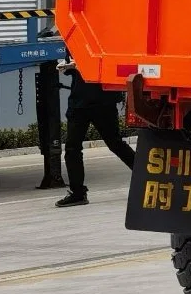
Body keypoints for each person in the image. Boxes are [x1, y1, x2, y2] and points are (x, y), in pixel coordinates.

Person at [55, 62, 135, 207]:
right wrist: (68, 66)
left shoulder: (103, 41)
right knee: (72, 148)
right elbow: (69, 69)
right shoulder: (73, 42)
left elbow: (110, 64)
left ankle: (145, 176)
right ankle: (78, 193)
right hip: (79, 102)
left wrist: (80, 65)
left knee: (115, 143)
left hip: (103, 101)